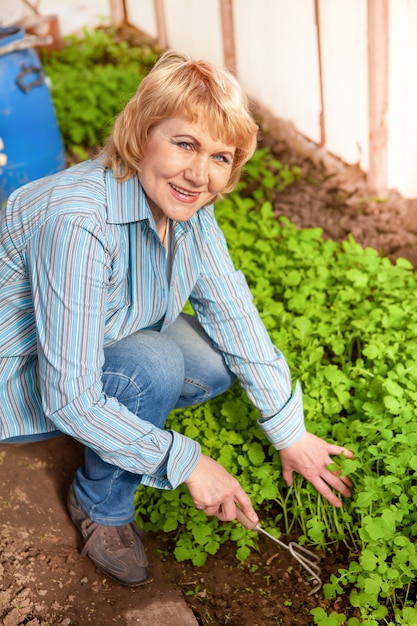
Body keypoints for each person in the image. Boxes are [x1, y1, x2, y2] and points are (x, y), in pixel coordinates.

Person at [0, 50, 353, 587]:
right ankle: (102, 505)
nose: (199, 173)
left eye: (220, 157)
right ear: (142, 134)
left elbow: (234, 315)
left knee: (213, 357)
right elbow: (68, 394)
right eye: (184, 143)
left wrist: (291, 432)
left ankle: (114, 425)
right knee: (157, 363)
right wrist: (186, 462)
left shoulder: (191, 210)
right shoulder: (77, 221)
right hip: (21, 380)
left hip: (95, 343)